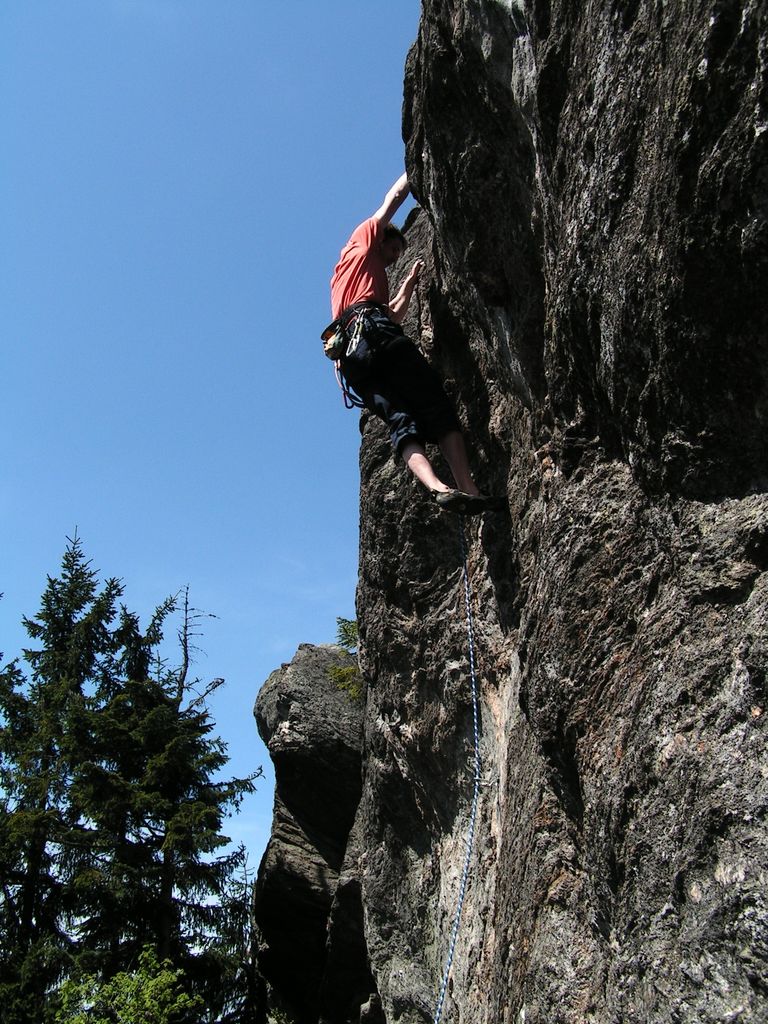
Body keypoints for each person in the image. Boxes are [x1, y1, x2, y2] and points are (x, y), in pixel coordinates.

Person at [330, 173, 497, 515]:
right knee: (436, 403)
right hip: (372, 328)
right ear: (380, 239)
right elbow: (393, 198)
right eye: (392, 251)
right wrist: (414, 166)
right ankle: (468, 487)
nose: (392, 260)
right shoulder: (363, 239)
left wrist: (406, 285)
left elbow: (391, 316)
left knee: (400, 420)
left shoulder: (343, 277)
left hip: (350, 356)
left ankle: (437, 487)